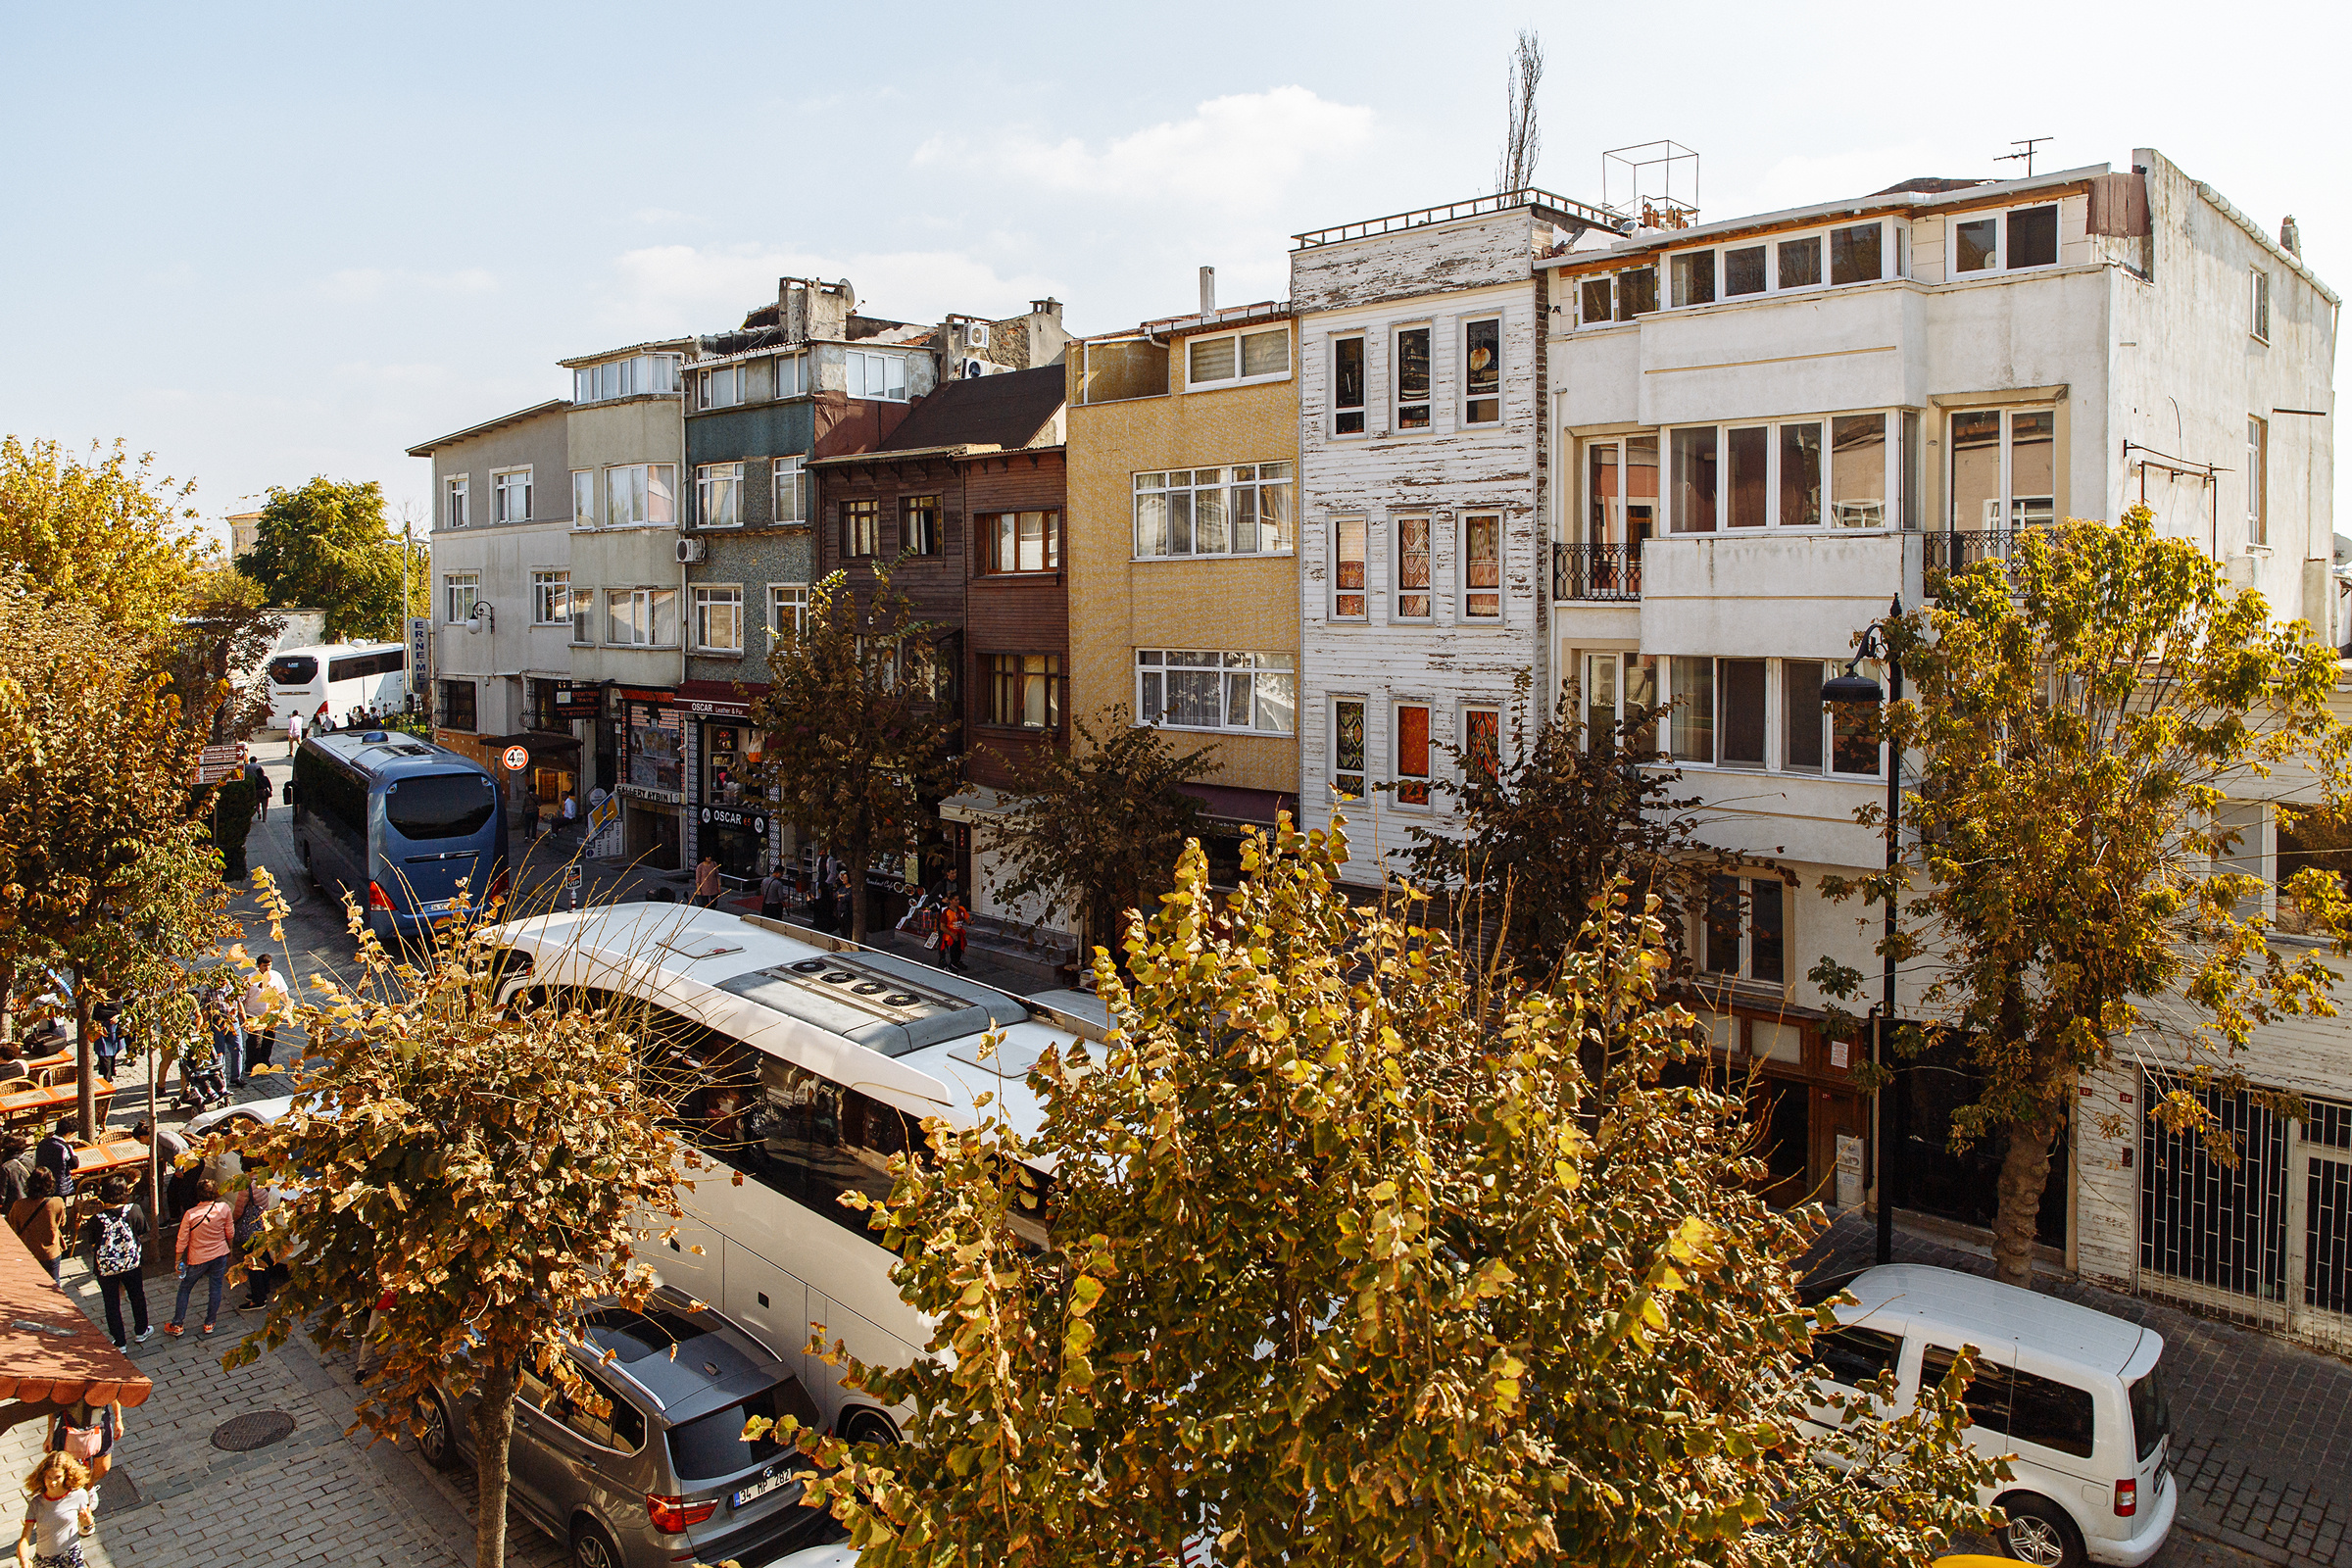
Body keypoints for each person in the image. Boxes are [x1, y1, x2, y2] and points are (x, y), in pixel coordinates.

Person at [80, 1179, 149, 1350]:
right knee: (137, 1296)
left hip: (106, 1267)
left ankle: (120, 1342)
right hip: (130, 1264)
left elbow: (93, 1242)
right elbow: (141, 1230)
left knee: (111, 1303)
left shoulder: (97, 1219)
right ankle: (141, 1330)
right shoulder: (134, 1210)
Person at [166, 1177, 235, 1337]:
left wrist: (178, 1260)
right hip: (219, 1254)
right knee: (216, 1287)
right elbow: (230, 1232)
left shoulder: (190, 1214)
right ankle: (210, 1323)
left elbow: (182, 1240)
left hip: (197, 1258)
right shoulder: (224, 1208)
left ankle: (177, 1324)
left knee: (185, 1289)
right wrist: (230, 1248)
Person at [14, 1451, 95, 1568]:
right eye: (49, 1477)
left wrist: (87, 1524)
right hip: (44, 1559)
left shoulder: (79, 1495)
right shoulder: (36, 1503)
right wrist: (23, 1559)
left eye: (58, 1477)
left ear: (66, 1475)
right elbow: (25, 1537)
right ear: (43, 1476)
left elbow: (86, 1531)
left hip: (71, 1556)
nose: (52, 1482)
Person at [8, 1170, 66, 1284]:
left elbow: (13, 1225)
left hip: (29, 1251)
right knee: (55, 1282)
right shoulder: (57, 1203)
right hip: (51, 1251)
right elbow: (62, 1223)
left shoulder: (18, 1205)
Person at [240, 954, 289, 1083]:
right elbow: (242, 998)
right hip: (254, 1014)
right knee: (254, 1040)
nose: (267, 969)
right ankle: (251, 1065)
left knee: (269, 1039)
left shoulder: (277, 976)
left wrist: (288, 1006)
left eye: (269, 966)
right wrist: (243, 1017)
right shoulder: (250, 979)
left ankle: (264, 1062)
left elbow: (283, 992)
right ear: (258, 966)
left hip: (272, 1014)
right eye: (264, 966)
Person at [33, 1122, 74, 1202]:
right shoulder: (64, 1147)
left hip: (43, 1180)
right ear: (68, 1133)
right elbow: (74, 1164)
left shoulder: (42, 1143)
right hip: (60, 1184)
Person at [937, 894, 970, 974]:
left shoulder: (961, 909)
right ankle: (951, 968)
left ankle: (956, 964)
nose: (958, 901)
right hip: (950, 937)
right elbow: (942, 927)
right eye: (955, 900)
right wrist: (952, 934)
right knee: (953, 952)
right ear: (951, 901)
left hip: (959, 935)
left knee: (959, 952)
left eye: (958, 899)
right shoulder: (946, 912)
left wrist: (971, 922)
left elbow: (967, 920)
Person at [0, 1139, 29, 1208]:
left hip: (13, 1205)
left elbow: (2, 1191)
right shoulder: (29, 1161)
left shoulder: (6, 1167)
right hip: (29, 1202)